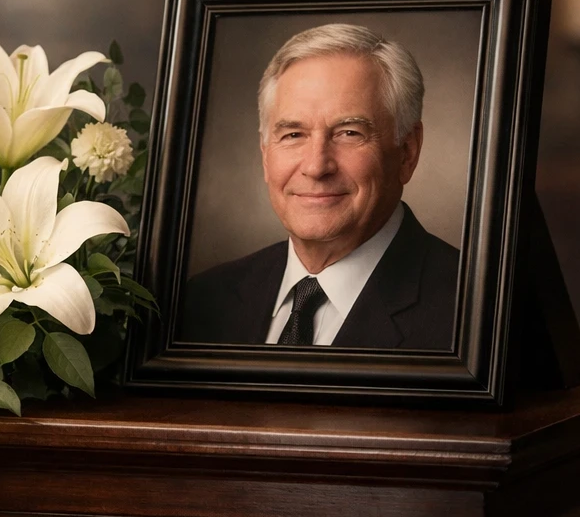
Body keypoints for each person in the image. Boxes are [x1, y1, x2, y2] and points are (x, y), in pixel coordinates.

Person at [181, 23, 459, 349]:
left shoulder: (474, 313)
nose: (316, 166)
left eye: (349, 132)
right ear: (265, 154)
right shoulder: (200, 303)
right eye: (293, 135)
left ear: (407, 153)